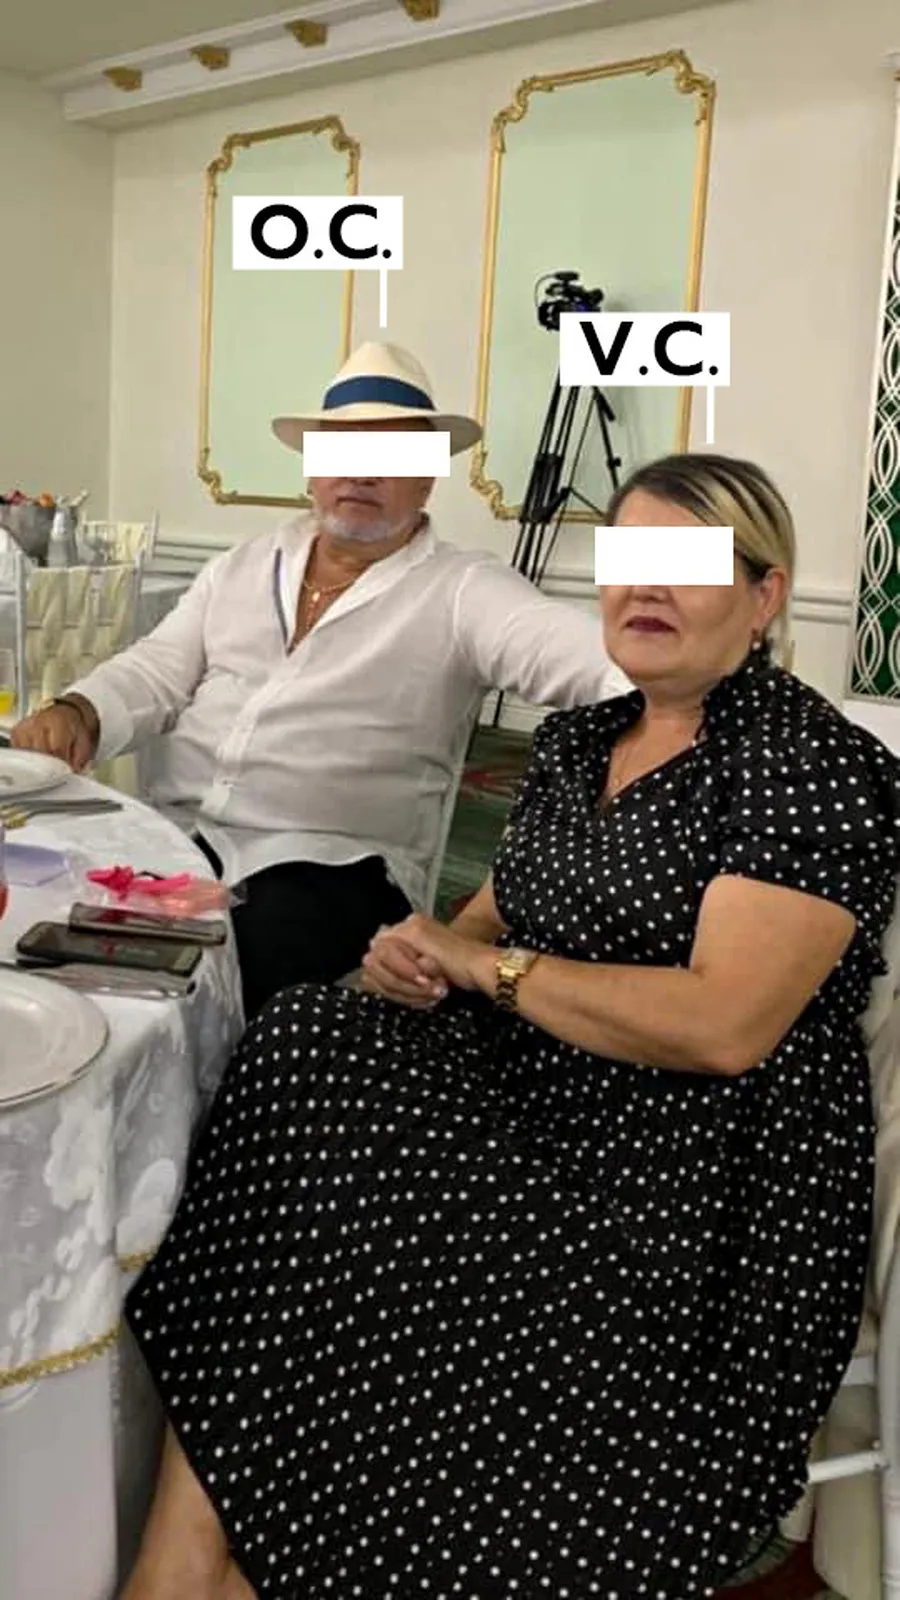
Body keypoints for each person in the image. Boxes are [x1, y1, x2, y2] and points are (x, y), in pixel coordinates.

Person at [124, 450, 900, 1600]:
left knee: (401, 1237)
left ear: (766, 595)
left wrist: (486, 965)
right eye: (628, 559)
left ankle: (261, 1566)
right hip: (540, 1082)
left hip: (694, 1168)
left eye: (687, 565)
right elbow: (489, 917)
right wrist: (416, 955)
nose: (645, 588)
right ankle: (181, 1557)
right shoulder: (584, 738)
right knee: (304, 1045)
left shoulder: (806, 764)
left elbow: (723, 1025)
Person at [10, 342, 627, 1019]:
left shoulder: (463, 592)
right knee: (47, 923)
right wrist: (82, 709)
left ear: (427, 479)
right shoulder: (244, 565)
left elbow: (608, 666)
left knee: (220, 969)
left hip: (334, 868)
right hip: (177, 836)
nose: (359, 472)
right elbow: (158, 667)